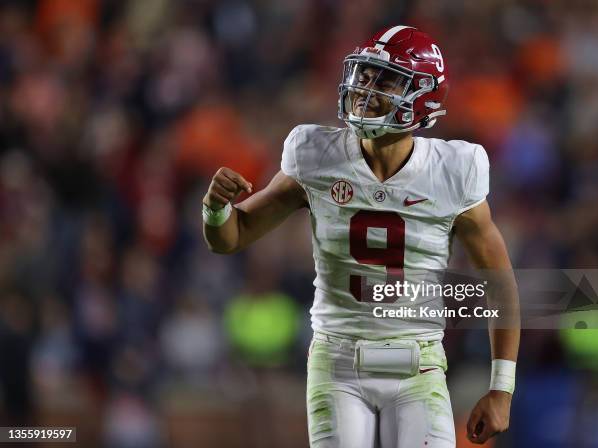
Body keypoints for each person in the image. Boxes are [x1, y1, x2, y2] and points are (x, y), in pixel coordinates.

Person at [203, 25, 520, 447]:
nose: (366, 88)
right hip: (337, 361)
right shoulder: (316, 154)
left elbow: (497, 282)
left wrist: (502, 387)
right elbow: (231, 237)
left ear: (421, 96)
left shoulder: (454, 170)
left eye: (386, 79)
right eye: (365, 74)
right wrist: (215, 209)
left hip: (418, 363)